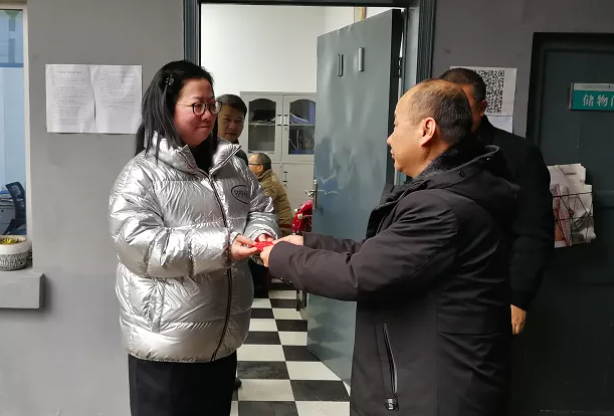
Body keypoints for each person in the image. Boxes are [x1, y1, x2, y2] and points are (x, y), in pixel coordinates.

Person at [260, 79, 515, 416]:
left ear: (426, 130)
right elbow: (382, 253)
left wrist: (279, 256)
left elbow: (359, 274)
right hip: (435, 374)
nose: (389, 139)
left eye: (396, 126)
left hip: (435, 389)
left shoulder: (441, 207)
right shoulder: (454, 190)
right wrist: (306, 242)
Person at [109, 60, 279, 416]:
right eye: (197, 106)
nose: (209, 115)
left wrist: (261, 233)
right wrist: (223, 246)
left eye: (212, 105)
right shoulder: (140, 176)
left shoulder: (232, 166)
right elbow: (142, 248)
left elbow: (260, 208)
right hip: (167, 348)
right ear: (167, 109)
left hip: (221, 344)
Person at [441, 68, 554, 335]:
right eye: (446, 108)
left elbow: (534, 231)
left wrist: (518, 296)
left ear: (482, 108)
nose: (452, 117)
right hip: (438, 285)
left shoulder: (518, 154)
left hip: (490, 289)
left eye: (462, 109)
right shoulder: (432, 148)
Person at [248, 153, 293, 236]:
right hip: (275, 224)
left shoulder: (269, 183)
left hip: (281, 228)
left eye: (249, 164)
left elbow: (259, 206)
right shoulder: (264, 179)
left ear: (259, 168)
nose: (247, 167)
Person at [218, 93, 248, 165]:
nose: (233, 126)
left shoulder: (241, 156)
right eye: (227, 119)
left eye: (238, 121)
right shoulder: (199, 154)